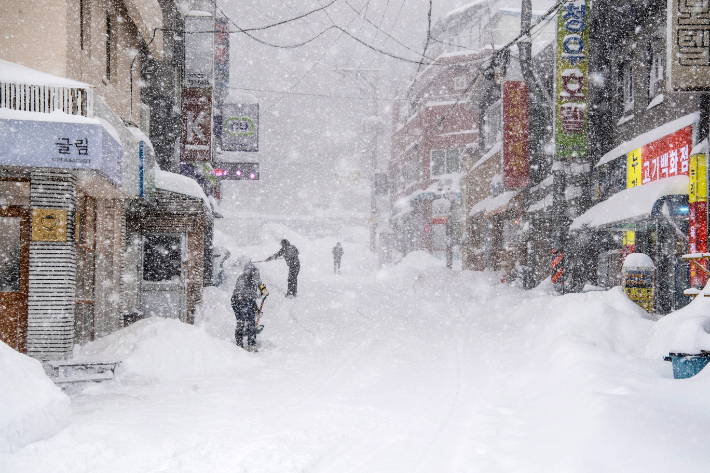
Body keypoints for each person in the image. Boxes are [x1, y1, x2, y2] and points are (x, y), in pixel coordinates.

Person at [231, 256, 268, 351]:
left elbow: (247, 296)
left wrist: (256, 309)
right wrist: (263, 289)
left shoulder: (241, 276)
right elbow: (257, 282)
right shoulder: (254, 270)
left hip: (235, 299)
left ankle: (238, 345)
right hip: (245, 299)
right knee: (251, 322)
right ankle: (251, 346)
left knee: (240, 322)